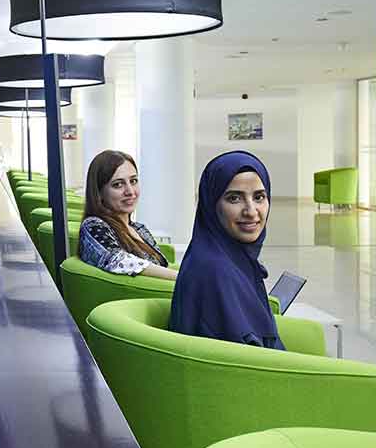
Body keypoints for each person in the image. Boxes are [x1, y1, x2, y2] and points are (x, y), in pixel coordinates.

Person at [168, 150, 284, 350]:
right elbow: (244, 360)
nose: (251, 212)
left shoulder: (231, 258)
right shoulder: (215, 271)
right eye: (234, 198)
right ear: (211, 205)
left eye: (259, 197)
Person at [78, 150, 178, 281]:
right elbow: (117, 260)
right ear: (99, 192)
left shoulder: (139, 229)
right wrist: (182, 278)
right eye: (118, 184)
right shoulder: (93, 225)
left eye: (133, 181)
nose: (130, 191)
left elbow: (162, 266)